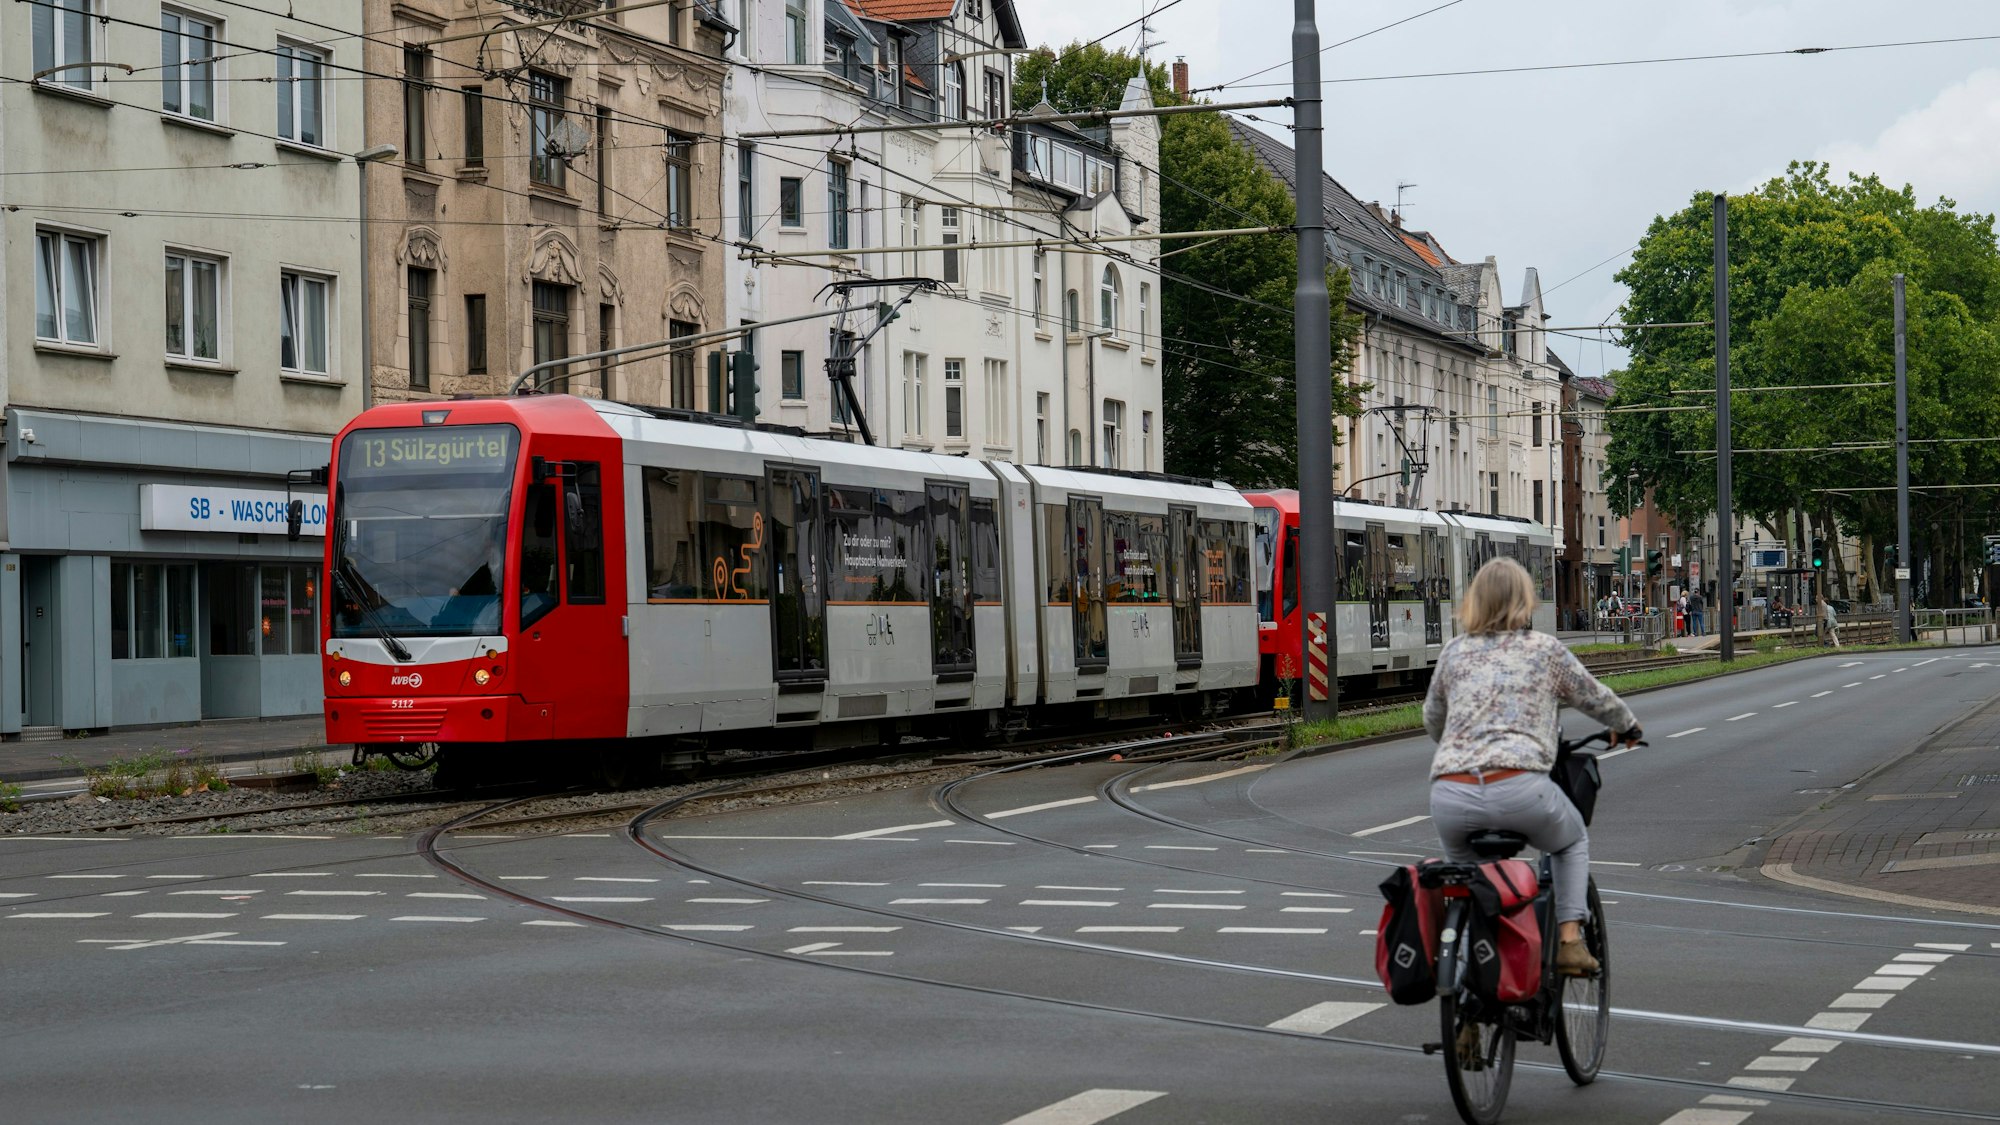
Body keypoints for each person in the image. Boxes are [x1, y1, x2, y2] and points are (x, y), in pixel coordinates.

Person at [1422, 556, 1642, 977]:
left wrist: (1462, 749)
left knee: (1469, 881)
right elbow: (1593, 697)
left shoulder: (1454, 652)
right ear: (1524, 602)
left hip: (1451, 794)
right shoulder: (1544, 650)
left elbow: (1434, 720)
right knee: (1570, 841)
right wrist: (1627, 725)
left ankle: (1467, 979)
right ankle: (1570, 941)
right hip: (1519, 790)